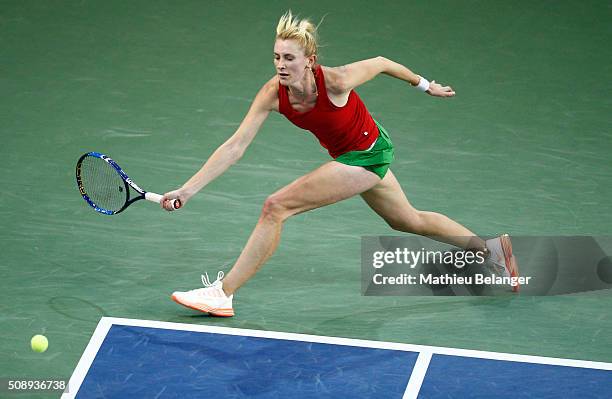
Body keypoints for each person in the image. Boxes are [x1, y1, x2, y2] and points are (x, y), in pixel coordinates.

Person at [162, 11, 519, 317]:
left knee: (275, 207)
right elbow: (235, 145)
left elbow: (381, 63)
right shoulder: (274, 92)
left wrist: (425, 86)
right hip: (354, 156)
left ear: (310, 60)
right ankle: (492, 251)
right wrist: (188, 189)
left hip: (367, 154)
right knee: (407, 219)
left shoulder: (335, 80)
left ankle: (222, 293)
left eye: (289, 58)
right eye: (276, 57)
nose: (281, 65)